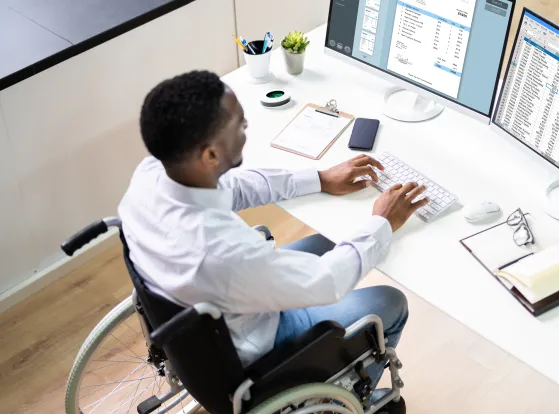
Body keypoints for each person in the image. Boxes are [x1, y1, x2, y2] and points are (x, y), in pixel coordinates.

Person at [118, 70, 428, 395]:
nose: (246, 127)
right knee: (391, 302)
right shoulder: (220, 251)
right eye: (239, 123)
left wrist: (319, 178)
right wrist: (383, 222)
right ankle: (355, 396)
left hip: (215, 312)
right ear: (210, 154)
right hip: (259, 341)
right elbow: (327, 281)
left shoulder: (151, 175)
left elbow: (232, 186)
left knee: (337, 236)